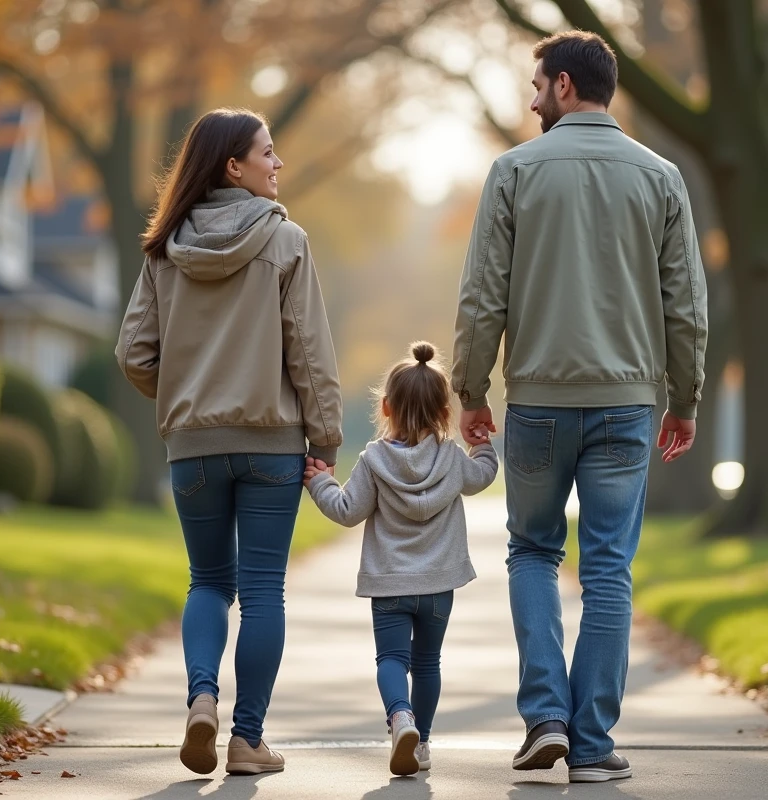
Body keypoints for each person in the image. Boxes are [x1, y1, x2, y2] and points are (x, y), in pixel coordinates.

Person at [450, 31, 708, 783]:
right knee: (608, 570)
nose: (531, 101)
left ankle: (545, 720)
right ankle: (592, 746)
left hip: (537, 402)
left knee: (532, 551)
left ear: (565, 86)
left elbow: (480, 295)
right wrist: (683, 399)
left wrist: (471, 390)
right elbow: (686, 305)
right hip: (629, 406)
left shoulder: (514, 172)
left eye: (537, 86)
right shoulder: (661, 177)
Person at [116, 107, 343, 776]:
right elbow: (309, 352)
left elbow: (133, 352)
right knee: (263, 591)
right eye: (267, 153)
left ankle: (202, 699)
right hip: (272, 444)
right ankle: (247, 741)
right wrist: (324, 436)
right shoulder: (286, 241)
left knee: (208, 582)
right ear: (233, 166)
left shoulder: (164, 249)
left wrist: (188, 397)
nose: (278, 164)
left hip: (193, 447)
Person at [303, 342, 499, 776]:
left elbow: (347, 510)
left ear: (387, 407)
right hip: (438, 586)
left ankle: (400, 717)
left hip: (389, 584)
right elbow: (483, 474)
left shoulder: (374, 460)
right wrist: (482, 445)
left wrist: (319, 483)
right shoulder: (451, 457)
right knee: (428, 662)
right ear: (445, 412)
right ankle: (422, 743)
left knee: (392, 661)